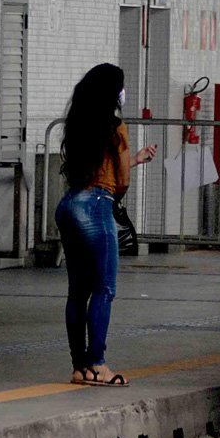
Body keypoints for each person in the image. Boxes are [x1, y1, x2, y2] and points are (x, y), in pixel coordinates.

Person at [57, 63, 157, 387]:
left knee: (77, 292)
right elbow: (120, 181)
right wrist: (117, 191)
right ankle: (99, 364)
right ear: (113, 93)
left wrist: (135, 157)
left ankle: (79, 367)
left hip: (70, 205)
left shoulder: (77, 124)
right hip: (98, 207)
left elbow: (98, 167)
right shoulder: (116, 128)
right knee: (104, 289)